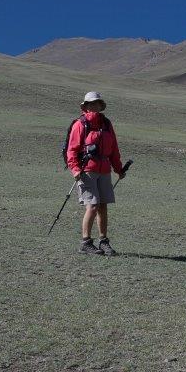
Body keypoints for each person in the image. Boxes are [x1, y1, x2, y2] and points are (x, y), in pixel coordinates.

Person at [66, 91, 125, 256]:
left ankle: (103, 241)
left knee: (103, 206)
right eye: (91, 104)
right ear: (86, 106)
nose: (94, 106)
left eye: (97, 103)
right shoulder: (80, 124)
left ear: (100, 106)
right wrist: (75, 169)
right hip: (87, 170)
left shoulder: (106, 124)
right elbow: (72, 150)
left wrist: (118, 169)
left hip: (104, 170)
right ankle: (85, 242)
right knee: (91, 206)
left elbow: (113, 149)